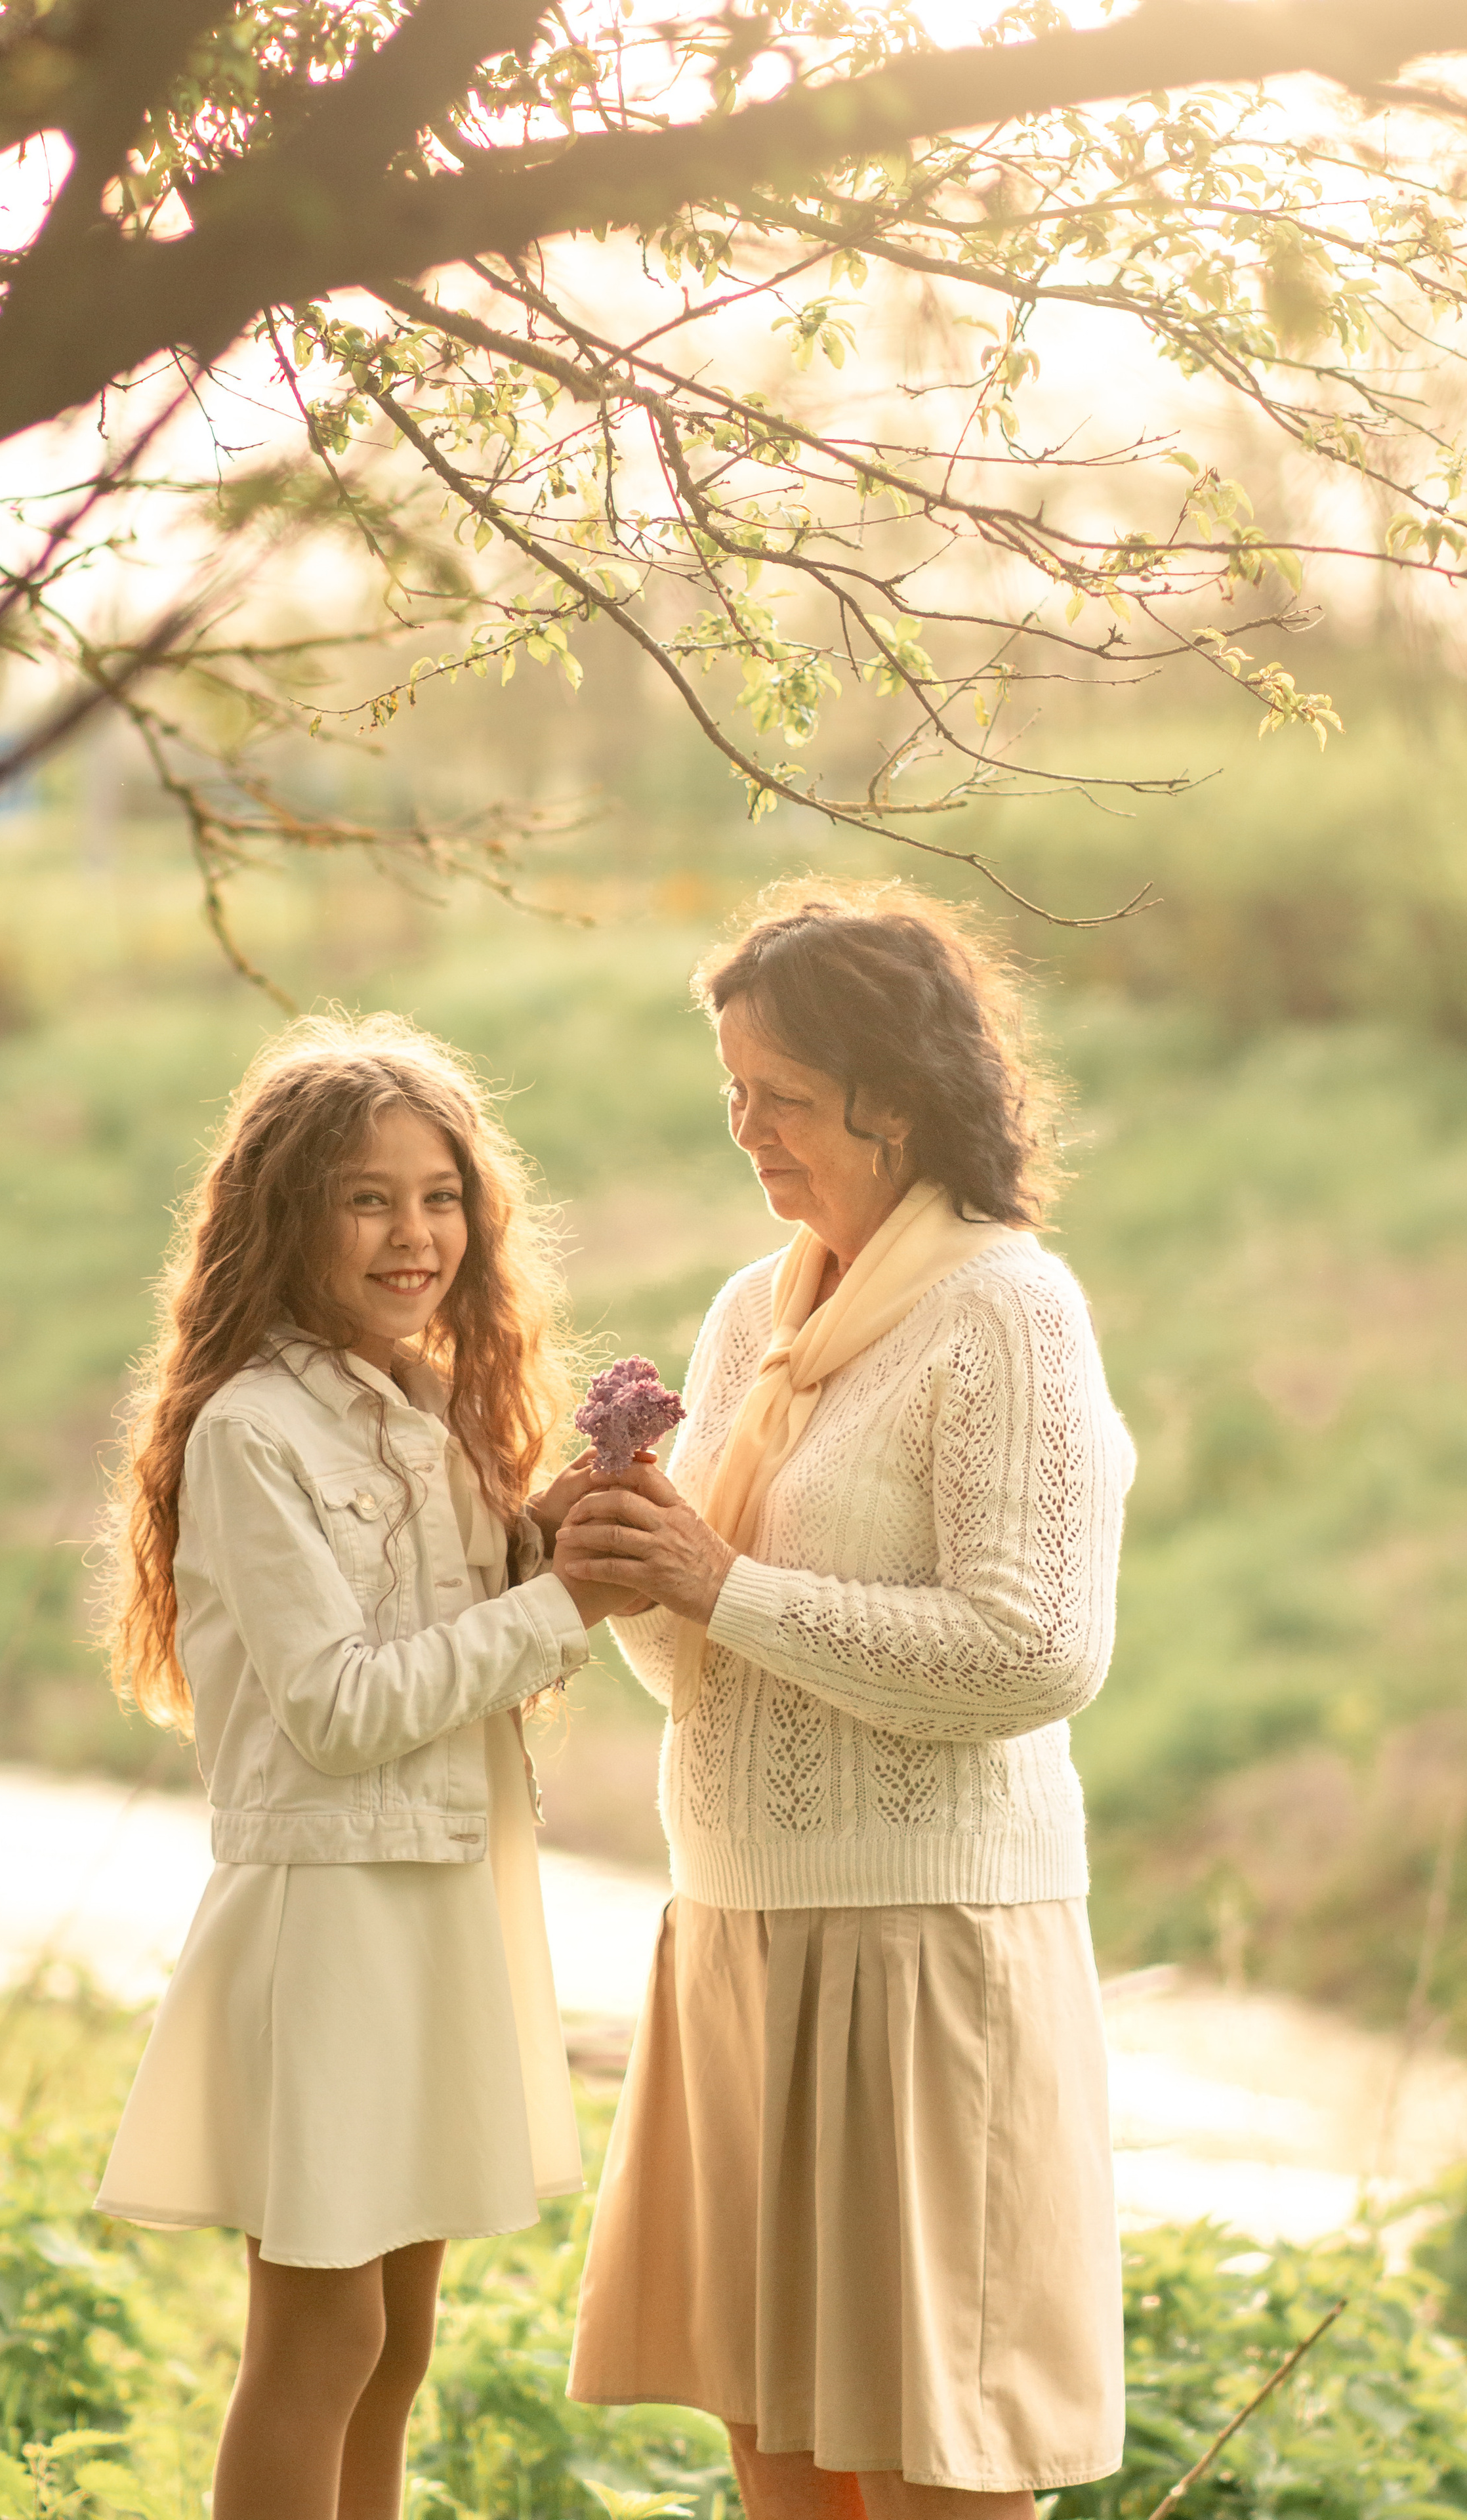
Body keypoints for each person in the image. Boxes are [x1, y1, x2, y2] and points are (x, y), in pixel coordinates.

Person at [558, 882, 1135, 2520]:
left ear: (893, 1095)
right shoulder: (753, 1311)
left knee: (943, 2479)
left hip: (924, 1950)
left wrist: (720, 1583)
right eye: (730, 1092)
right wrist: (629, 1575)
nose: (748, 1130)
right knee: (782, 2470)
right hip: (744, 1938)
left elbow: (1033, 1654)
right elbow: (704, 1667)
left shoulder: (1006, 1313)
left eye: (782, 1099)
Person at [94, 1013, 615, 2520]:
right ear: (285, 1215)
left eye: (440, 1195)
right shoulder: (254, 1432)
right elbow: (334, 1706)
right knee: (320, 2339)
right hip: (331, 1919)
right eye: (367, 1197)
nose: (414, 1233)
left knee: (397, 2344)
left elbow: (443, 1631)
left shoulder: (422, 1409)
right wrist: (553, 1604)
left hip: (438, 1900)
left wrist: (545, 1533)